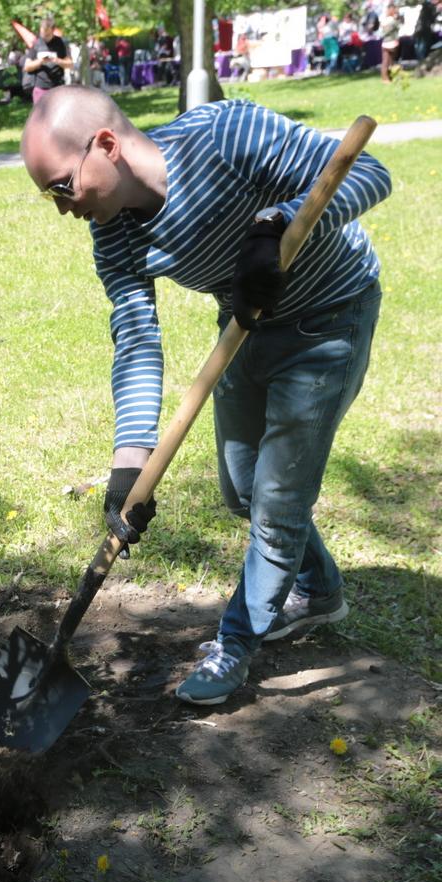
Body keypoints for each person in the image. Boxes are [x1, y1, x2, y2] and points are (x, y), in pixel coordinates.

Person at [20, 87, 390, 706]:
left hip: (331, 318)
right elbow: (136, 341)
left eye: (61, 186)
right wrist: (128, 467)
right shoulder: (115, 236)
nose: (62, 209)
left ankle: (237, 643)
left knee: (276, 503)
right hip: (246, 325)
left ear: (105, 146)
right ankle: (319, 590)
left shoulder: (222, 136)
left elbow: (370, 173)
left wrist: (276, 225)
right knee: (242, 486)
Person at [23, 18, 73, 103]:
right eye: (42, 34)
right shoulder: (36, 43)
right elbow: (27, 67)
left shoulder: (61, 43)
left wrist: (56, 60)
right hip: (40, 87)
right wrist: (40, 61)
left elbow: (70, 64)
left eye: (47, 35)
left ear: (53, 31)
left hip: (58, 87)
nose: (44, 37)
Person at [380, 2, 402, 80]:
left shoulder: (386, 19)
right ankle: (386, 78)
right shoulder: (392, 20)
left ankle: (388, 77)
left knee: (387, 62)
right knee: (389, 62)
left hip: (387, 42)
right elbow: (387, 31)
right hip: (391, 42)